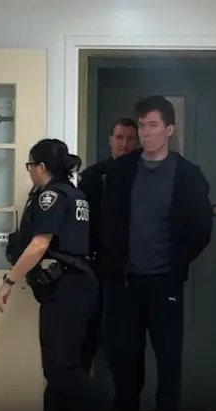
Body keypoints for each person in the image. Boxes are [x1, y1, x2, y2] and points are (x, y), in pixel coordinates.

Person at [95, 96, 213, 411]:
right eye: (142, 126)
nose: (145, 133)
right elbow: (106, 219)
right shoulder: (121, 171)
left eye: (153, 126)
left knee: (167, 355)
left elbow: (200, 227)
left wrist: (178, 261)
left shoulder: (188, 175)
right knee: (124, 352)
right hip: (125, 279)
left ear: (169, 130)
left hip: (165, 280)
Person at [0, 138, 125, 411]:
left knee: (61, 368)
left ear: (41, 167)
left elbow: (39, 244)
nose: (29, 172)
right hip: (78, 286)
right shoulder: (75, 194)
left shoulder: (51, 196)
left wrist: (9, 281)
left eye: (30, 165)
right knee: (61, 370)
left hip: (66, 289)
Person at [78, 118, 138, 373]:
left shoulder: (146, 176)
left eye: (131, 139)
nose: (125, 144)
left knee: (124, 341)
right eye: (120, 138)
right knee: (87, 335)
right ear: (110, 140)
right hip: (94, 267)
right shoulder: (94, 176)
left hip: (132, 271)